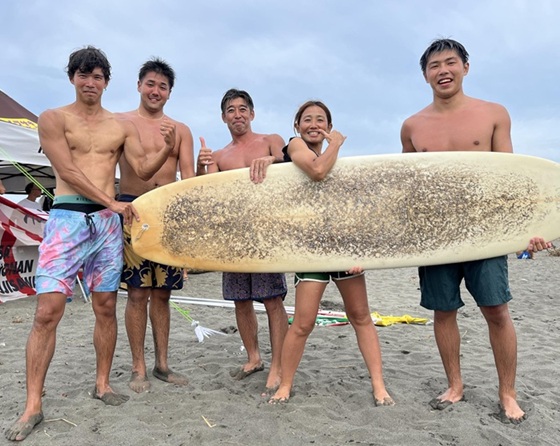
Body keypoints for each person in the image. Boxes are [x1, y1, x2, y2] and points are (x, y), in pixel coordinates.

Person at [5, 46, 176, 442]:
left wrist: (167, 148)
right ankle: (32, 405)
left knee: (105, 307)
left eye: (97, 76)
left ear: (107, 82)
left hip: (106, 228)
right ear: (72, 78)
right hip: (67, 220)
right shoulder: (54, 118)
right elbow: (66, 169)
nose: (90, 82)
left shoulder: (120, 126)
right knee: (47, 312)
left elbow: (142, 169)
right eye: (83, 75)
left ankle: (102, 384)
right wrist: (111, 202)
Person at [400, 38, 552, 424]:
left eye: (450, 62)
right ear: (425, 75)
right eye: (434, 66)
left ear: (465, 67)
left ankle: (508, 394)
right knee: (443, 311)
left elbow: (511, 179)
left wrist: (528, 230)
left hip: (486, 230)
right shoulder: (412, 126)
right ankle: (455, 386)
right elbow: (407, 188)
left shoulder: (493, 114)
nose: (443, 71)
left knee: (496, 310)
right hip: (437, 236)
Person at [269, 101, 394, 406]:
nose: (313, 124)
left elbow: (352, 210)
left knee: (361, 316)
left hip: (342, 247)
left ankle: (379, 386)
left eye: (320, 120)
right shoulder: (295, 145)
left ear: (328, 125)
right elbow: (316, 170)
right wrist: (335, 143)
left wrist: (359, 252)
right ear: (297, 126)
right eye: (307, 119)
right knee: (303, 323)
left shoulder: (338, 163)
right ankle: (285, 385)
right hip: (312, 251)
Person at [197, 88, 288, 394]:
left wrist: (271, 159)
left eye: (242, 109)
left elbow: (292, 162)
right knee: (240, 300)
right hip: (234, 235)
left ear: (252, 113)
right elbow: (208, 190)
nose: (237, 115)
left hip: (266, 231)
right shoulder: (220, 156)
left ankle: (278, 364)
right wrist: (200, 164)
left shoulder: (271, 140)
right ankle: (253, 357)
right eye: (231, 110)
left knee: (272, 299)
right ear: (224, 118)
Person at [117, 57, 194, 393]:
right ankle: (138, 368)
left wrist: (188, 224)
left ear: (170, 93)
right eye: (150, 83)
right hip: (132, 211)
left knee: (163, 293)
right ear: (139, 85)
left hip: (168, 214)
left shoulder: (181, 129)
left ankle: (162, 364)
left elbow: (188, 178)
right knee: (137, 293)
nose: (155, 91)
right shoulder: (121, 123)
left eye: (163, 86)